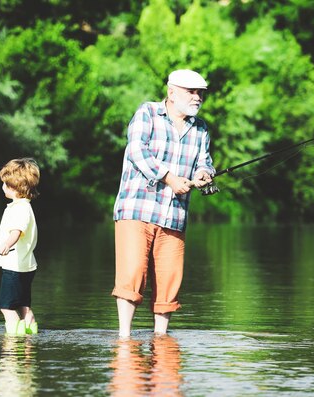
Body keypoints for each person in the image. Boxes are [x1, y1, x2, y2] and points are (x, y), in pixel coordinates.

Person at [111, 69, 216, 337]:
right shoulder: (147, 113)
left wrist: (204, 174)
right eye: (191, 92)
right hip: (137, 209)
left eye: (200, 93)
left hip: (174, 215)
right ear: (172, 92)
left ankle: (161, 338)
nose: (197, 98)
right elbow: (136, 150)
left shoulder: (201, 128)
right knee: (132, 273)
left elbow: (204, 162)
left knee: (170, 280)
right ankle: (124, 337)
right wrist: (169, 178)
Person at [0, 158, 40, 335]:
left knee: (6, 307)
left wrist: (7, 244)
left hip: (14, 266)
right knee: (23, 306)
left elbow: (17, 231)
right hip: (26, 266)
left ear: (14, 187)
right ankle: (30, 336)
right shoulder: (25, 207)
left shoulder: (19, 208)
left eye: (5, 184)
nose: (3, 187)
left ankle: (13, 342)